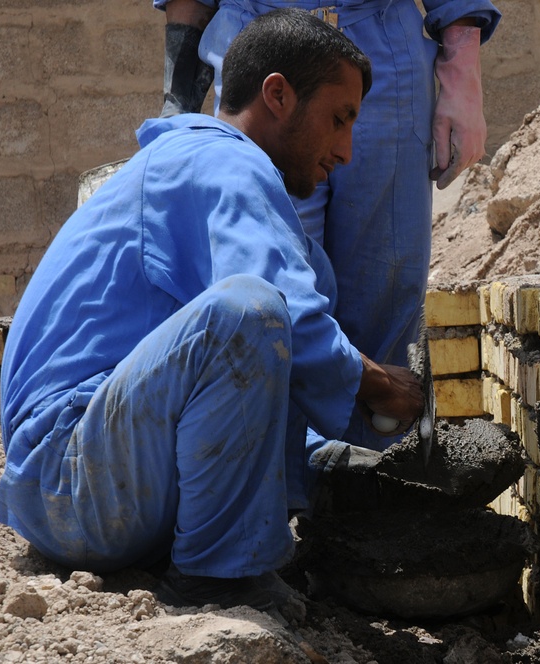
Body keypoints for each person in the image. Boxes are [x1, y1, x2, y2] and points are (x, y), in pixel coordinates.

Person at [0, 9, 423, 614]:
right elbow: (287, 327)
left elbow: (244, 387)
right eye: (338, 119)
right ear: (277, 94)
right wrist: (385, 387)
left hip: (99, 480)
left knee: (279, 301)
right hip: (72, 481)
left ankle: (253, 531)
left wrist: (326, 463)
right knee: (253, 311)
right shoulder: (225, 163)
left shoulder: (202, 169)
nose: (347, 150)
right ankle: (219, 578)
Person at [156, 0, 501, 451]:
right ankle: (288, 477)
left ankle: (374, 471)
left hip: (383, 46)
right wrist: (178, 97)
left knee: (387, 275)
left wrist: (463, 73)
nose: (345, 150)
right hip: (265, 42)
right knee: (273, 282)